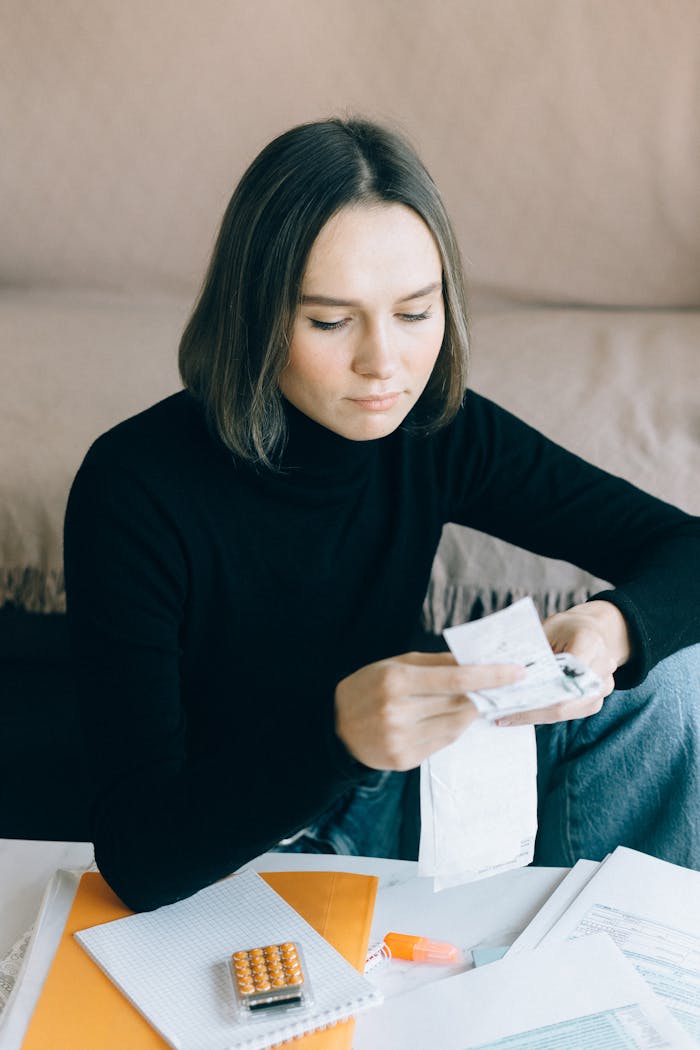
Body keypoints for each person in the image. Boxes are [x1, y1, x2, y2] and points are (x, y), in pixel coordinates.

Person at [64, 117, 700, 913]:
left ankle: (626, 978)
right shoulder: (133, 487)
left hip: (405, 779)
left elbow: (684, 546)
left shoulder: (433, 426)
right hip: (248, 835)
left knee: (672, 671)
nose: (384, 364)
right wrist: (338, 737)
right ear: (255, 314)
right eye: (331, 322)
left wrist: (614, 629)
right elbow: (137, 856)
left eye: (415, 312)